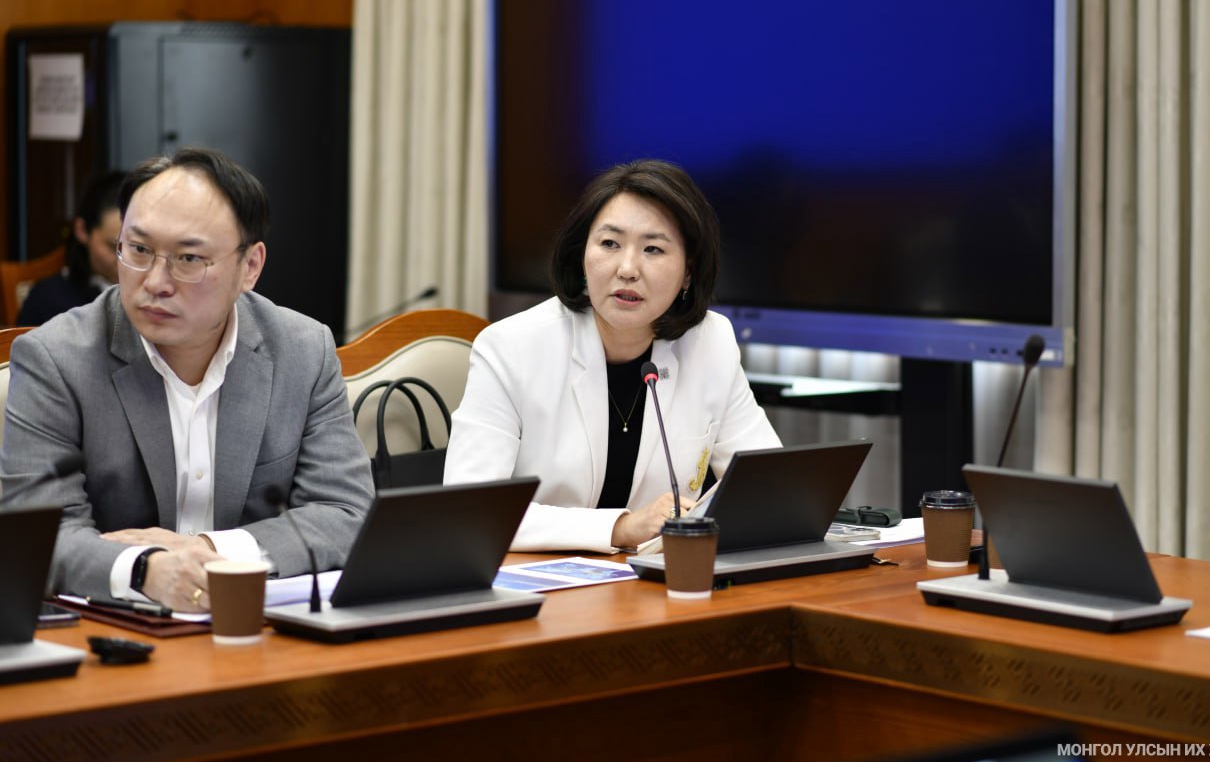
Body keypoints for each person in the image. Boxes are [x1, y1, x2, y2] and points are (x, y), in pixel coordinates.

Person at [0, 147, 374, 610]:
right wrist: (146, 569)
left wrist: (209, 551)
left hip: (255, 622)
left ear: (250, 267)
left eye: (189, 258)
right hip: (115, 629)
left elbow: (346, 513)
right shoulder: (56, 358)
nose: (156, 282)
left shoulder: (302, 351)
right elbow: (37, 536)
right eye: (138, 249)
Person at [444, 158, 780, 552]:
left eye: (653, 249)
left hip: (656, 577)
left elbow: (768, 484)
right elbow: (469, 510)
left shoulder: (711, 340)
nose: (627, 269)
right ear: (582, 255)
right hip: (538, 578)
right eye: (609, 244)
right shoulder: (510, 347)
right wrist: (621, 527)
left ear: (688, 272)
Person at [17, 171, 126, 326]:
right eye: (113, 246)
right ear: (82, 230)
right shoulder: (50, 300)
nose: (125, 258)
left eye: (138, 248)